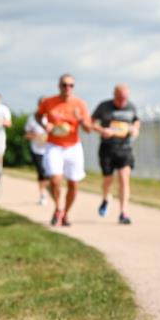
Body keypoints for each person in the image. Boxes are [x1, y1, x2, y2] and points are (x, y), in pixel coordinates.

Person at [35, 74, 93, 227]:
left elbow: (88, 129)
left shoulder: (79, 104)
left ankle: (66, 213)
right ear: (59, 86)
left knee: (73, 183)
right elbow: (38, 115)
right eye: (65, 85)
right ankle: (58, 208)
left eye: (71, 85)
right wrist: (44, 125)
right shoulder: (49, 102)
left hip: (73, 146)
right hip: (54, 145)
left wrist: (80, 119)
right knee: (55, 180)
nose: (68, 88)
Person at [92, 84, 140, 225]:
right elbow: (91, 123)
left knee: (124, 178)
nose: (122, 101)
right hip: (107, 148)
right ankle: (106, 198)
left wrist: (135, 129)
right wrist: (102, 130)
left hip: (125, 148)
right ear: (114, 95)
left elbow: (136, 121)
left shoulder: (131, 107)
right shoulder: (104, 106)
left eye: (125, 98)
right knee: (108, 179)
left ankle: (123, 213)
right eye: (120, 98)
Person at [24, 97, 50, 204]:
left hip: (50, 150)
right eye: (41, 104)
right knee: (41, 173)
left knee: (51, 173)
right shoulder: (32, 118)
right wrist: (36, 135)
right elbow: (26, 135)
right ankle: (42, 195)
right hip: (37, 150)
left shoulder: (51, 117)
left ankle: (50, 192)